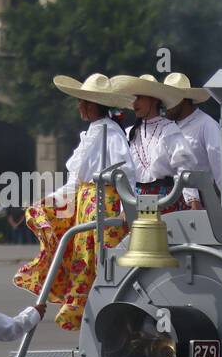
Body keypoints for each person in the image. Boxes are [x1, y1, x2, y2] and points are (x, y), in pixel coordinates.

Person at [13, 73, 137, 331]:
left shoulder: (111, 132)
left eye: (83, 103)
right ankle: (85, 308)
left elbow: (126, 173)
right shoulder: (92, 132)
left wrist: (128, 209)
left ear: (93, 105)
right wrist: (51, 200)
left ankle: (100, 309)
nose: (79, 107)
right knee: (82, 253)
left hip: (105, 202)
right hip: (87, 202)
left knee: (99, 258)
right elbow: (75, 181)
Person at [112, 74, 197, 212]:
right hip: (137, 201)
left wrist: (193, 200)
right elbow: (126, 176)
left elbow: (184, 167)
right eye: (134, 98)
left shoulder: (169, 129)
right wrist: (124, 208)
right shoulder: (131, 133)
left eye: (139, 98)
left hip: (166, 200)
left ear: (153, 100)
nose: (135, 103)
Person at [162, 72, 222, 211]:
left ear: (182, 100)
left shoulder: (207, 125)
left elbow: (219, 164)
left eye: (169, 99)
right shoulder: (168, 127)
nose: (166, 105)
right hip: (171, 197)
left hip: (201, 200)